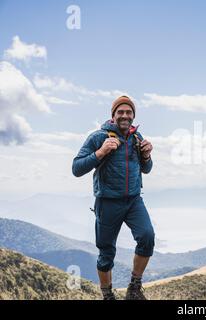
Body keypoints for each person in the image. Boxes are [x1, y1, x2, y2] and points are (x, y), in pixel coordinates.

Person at [72, 95, 154, 300]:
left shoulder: (137, 137)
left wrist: (147, 156)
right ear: (113, 115)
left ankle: (134, 288)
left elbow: (147, 169)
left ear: (133, 116)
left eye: (129, 112)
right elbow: (76, 168)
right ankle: (107, 295)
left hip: (134, 200)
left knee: (147, 237)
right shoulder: (98, 137)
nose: (125, 116)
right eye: (121, 112)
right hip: (107, 202)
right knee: (106, 252)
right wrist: (100, 152)